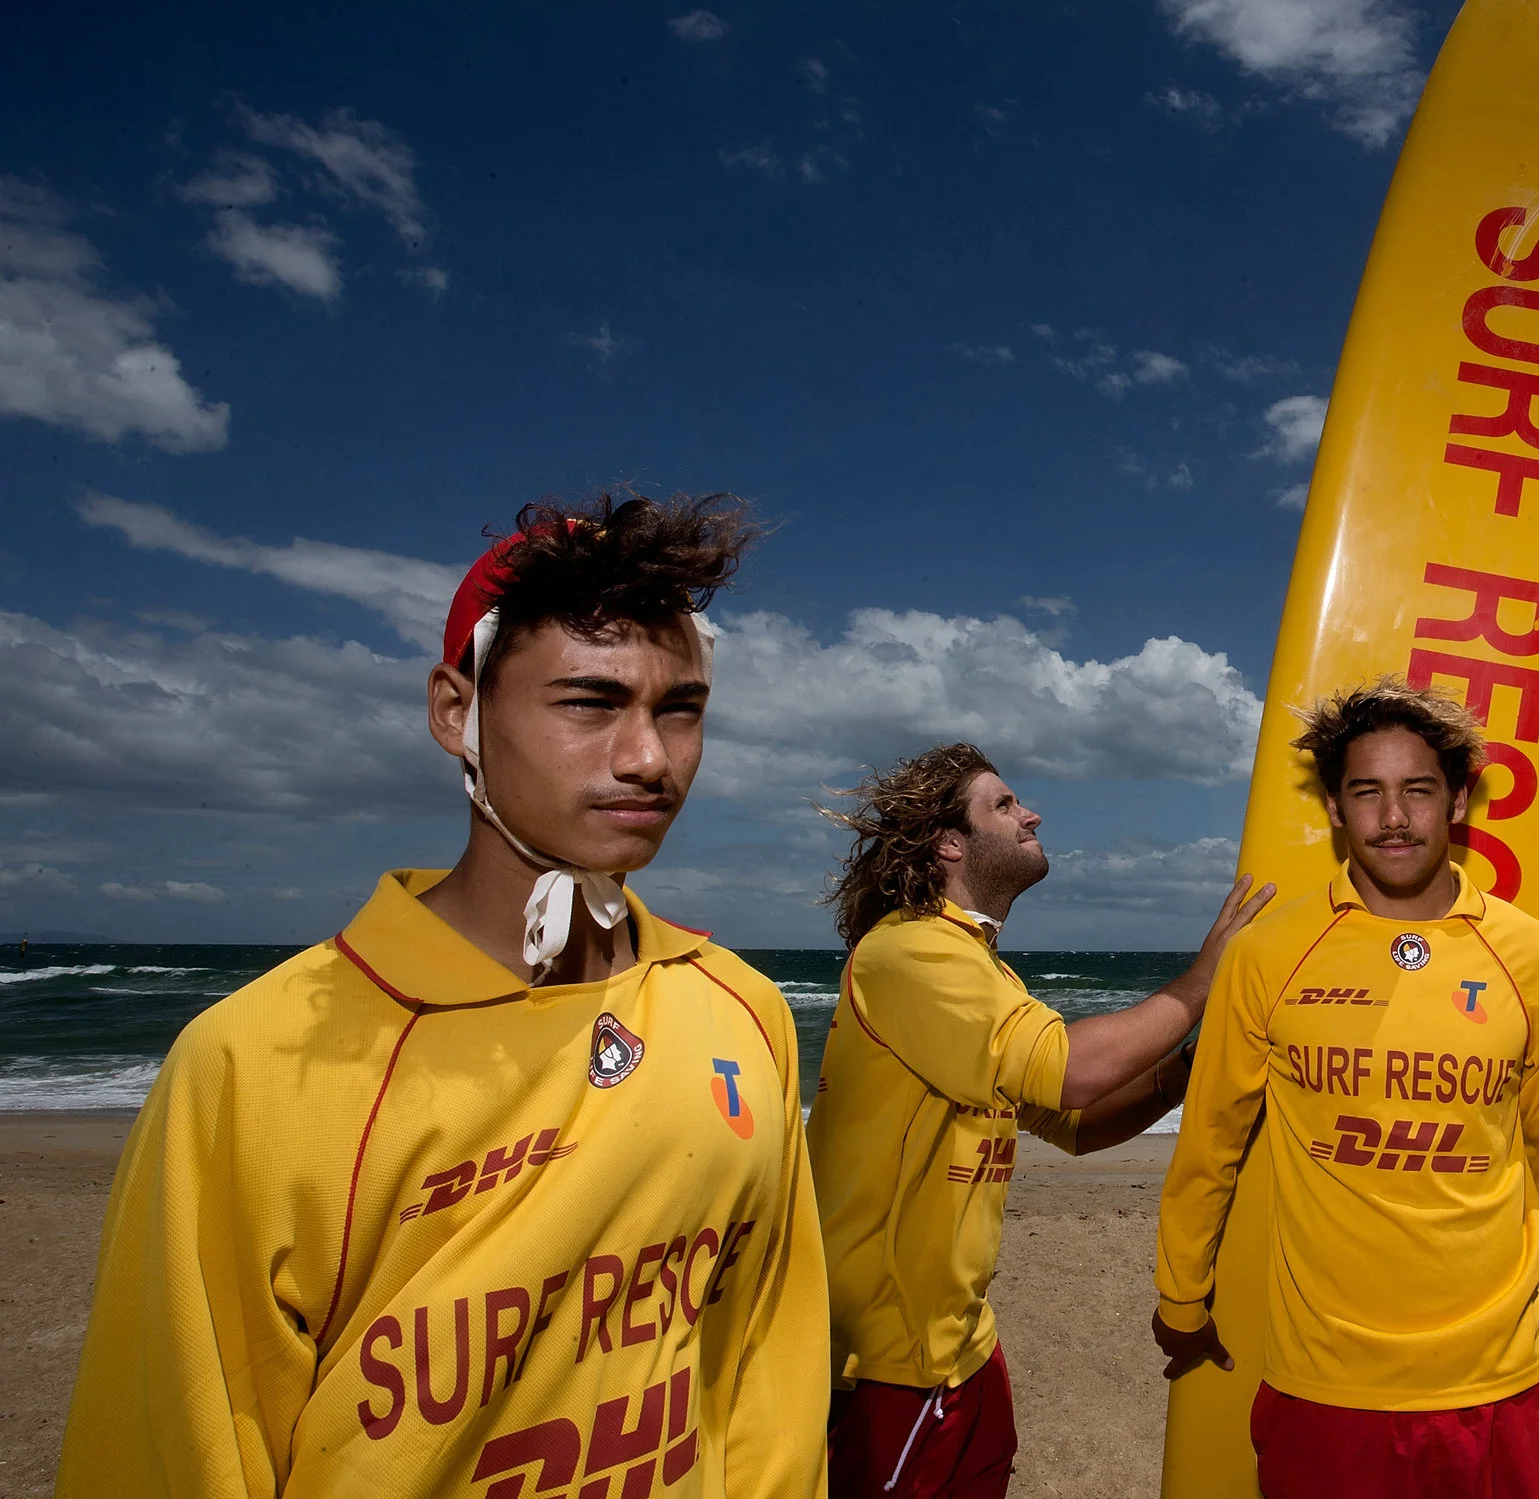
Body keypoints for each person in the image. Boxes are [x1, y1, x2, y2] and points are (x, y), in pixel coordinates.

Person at [58, 494, 831, 1499]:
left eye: (679, 709)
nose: (649, 757)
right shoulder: (254, 1062)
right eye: (590, 702)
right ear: (455, 711)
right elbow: (174, 1445)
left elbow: (765, 1357)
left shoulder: (739, 1004)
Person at [1152, 680, 1539, 1499]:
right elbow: (1210, 1137)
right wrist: (1181, 1293)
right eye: (1368, 791)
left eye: (1418, 790)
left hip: (1498, 1375)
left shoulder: (1535, 955)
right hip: (1325, 1383)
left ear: (1458, 800)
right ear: (1333, 807)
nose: (1394, 817)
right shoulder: (1269, 953)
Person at [808, 742, 1273, 1499]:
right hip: (884, 1359)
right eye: (1005, 804)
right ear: (950, 843)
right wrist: (1204, 978)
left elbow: (1075, 1121)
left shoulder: (985, 972)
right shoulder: (911, 951)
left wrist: (1189, 1066)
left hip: (963, 1344)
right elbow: (1071, 1067)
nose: (1033, 813)